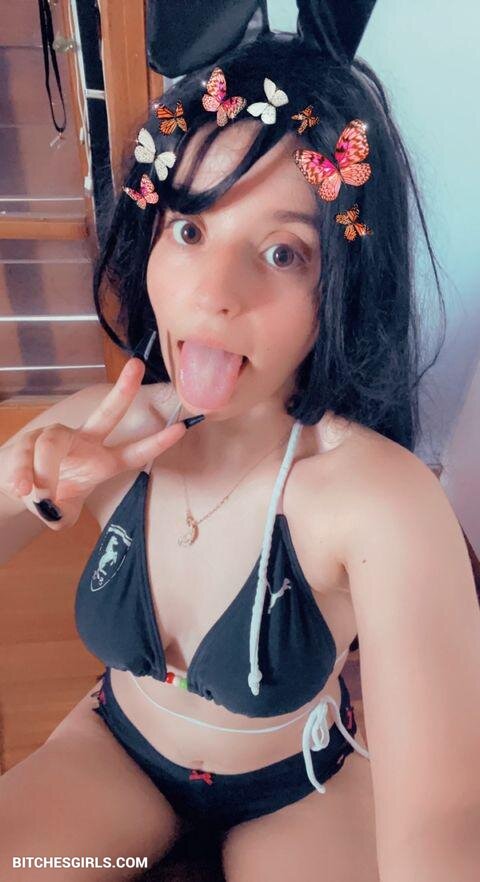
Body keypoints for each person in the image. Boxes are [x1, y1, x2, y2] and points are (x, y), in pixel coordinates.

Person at [2, 21, 479, 882]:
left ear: (342, 284)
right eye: (190, 230)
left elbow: (443, 828)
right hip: (112, 756)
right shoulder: (103, 434)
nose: (214, 293)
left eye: (282, 251)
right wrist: (21, 489)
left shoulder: (380, 501)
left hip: (298, 792)